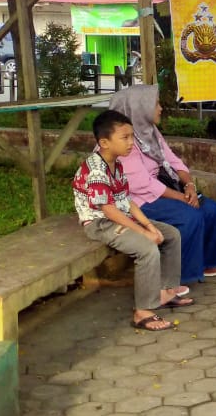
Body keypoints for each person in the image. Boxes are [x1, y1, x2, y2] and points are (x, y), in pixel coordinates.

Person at [72, 110, 184, 332]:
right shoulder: (95, 169)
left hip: (120, 216)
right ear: (104, 142)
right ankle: (143, 311)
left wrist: (150, 226)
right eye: (125, 137)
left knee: (171, 234)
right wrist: (144, 234)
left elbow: (127, 201)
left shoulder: (117, 164)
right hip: (100, 223)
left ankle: (165, 292)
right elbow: (109, 210)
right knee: (147, 249)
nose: (131, 142)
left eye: (132, 136)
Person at [109, 85, 216, 283]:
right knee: (189, 215)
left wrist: (189, 186)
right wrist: (181, 197)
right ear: (140, 107)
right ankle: (180, 276)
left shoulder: (150, 132)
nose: (160, 108)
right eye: (156, 104)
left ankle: (207, 262)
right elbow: (141, 184)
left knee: (211, 209)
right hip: (137, 200)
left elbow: (173, 161)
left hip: (161, 189)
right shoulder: (122, 140)